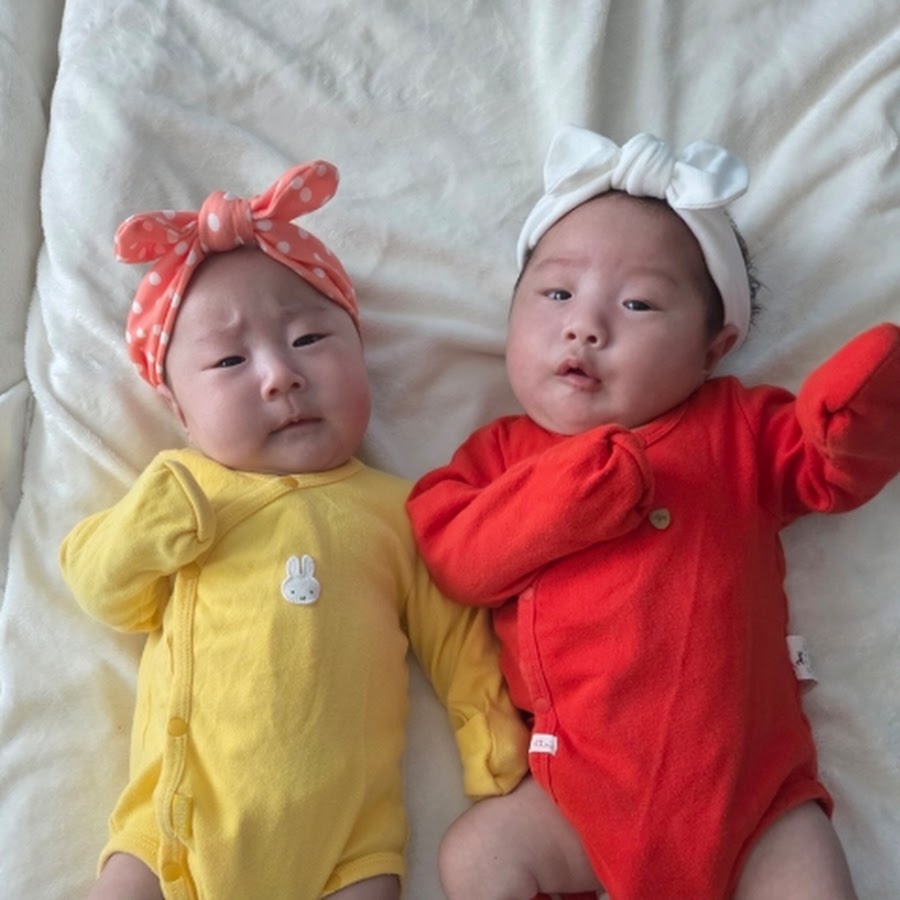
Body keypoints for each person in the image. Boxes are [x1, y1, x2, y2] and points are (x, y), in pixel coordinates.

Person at [406, 126, 900, 899]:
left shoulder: (737, 427)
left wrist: (853, 420)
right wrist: (566, 498)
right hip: (576, 791)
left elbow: (824, 473)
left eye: (637, 303)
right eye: (556, 294)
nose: (585, 326)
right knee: (478, 858)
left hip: (754, 798)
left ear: (714, 348)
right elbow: (455, 559)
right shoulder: (503, 454)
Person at [59, 162, 529, 900]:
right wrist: (150, 523)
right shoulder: (185, 491)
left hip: (348, 849)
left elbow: (458, 639)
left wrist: (491, 741)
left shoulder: (399, 510)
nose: (280, 375)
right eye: (229, 360)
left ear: (360, 353)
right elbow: (99, 588)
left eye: (310, 339)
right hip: (171, 833)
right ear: (180, 412)